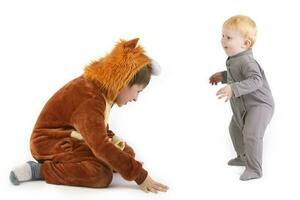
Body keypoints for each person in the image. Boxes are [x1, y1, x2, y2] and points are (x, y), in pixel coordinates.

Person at [10, 38, 169, 193]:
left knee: (128, 153)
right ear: (124, 81)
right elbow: (100, 145)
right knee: (100, 175)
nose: (135, 99)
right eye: (138, 91)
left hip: (73, 136)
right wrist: (139, 175)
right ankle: (40, 170)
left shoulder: (102, 91)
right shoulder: (90, 98)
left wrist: (122, 155)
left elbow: (98, 128)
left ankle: (103, 162)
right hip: (51, 142)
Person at [209, 15, 274, 180]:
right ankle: (243, 157)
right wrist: (222, 76)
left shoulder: (247, 61)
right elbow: (236, 76)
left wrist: (233, 88)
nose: (223, 40)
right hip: (243, 107)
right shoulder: (234, 59)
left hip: (259, 105)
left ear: (246, 44)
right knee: (235, 129)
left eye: (228, 37)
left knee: (251, 134)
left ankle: (254, 169)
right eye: (223, 36)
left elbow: (256, 80)